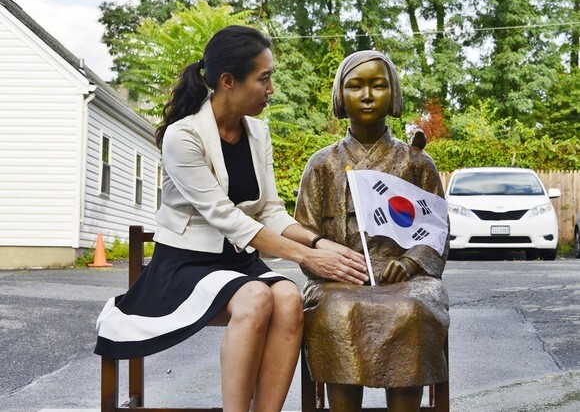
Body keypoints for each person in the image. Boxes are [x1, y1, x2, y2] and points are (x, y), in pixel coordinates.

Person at [94, 25, 368, 412]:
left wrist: (318, 243)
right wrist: (305, 258)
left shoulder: (258, 132)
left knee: (289, 297)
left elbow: (270, 210)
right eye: (264, 78)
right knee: (256, 297)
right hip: (186, 264)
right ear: (228, 82)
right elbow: (227, 218)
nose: (272, 88)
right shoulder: (183, 136)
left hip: (237, 263)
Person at [295, 50, 450, 412]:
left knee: (412, 310)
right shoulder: (322, 164)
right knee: (335, 311)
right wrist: (329, 264)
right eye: (355, 85)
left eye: (378, 86)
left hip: (406, 279)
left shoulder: (416, 163)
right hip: (339, 278)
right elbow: (303, 233)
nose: (367, 95)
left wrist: (411, 263)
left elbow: (437, 229)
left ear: (392, 93)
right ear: (340, 94)